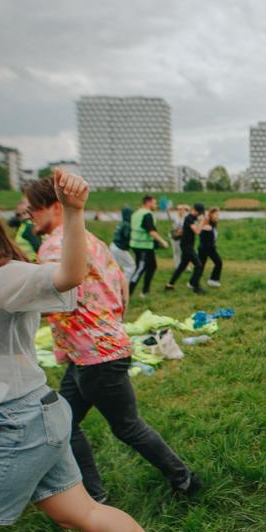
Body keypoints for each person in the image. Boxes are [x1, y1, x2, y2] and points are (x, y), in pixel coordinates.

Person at [0, 171, 184, 532]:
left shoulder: (3, 279)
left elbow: (69, 277)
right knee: (77, 512)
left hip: (17, 422)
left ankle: (183, 479)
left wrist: (74, 212)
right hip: (30, 408)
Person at [24, 178, 202, 505]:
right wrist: (110, 325)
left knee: (126, 427)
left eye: (31, 208)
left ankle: (184, 479)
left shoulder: (53, 245)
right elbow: (122, 286)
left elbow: (50, 297)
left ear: (54, 206)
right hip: (96, 350)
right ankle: (94, 496)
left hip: (96, 357)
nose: (26, 213)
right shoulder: (91, 240)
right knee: (65, 423)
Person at [129, 195, 169, 297]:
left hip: (140, 245)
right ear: (148, 203)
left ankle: (145, 291)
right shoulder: (147, 214)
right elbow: (151, 231)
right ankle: (128, 292)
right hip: (143, 246)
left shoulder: (136, 213)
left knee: (152, 266)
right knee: (140, 268)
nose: (156, 205)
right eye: (155, 203)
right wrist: (162, 241)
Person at [165, 203, 204, 293]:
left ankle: (169, 284)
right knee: (198, 265)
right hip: (187, 246)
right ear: (194, 210)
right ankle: (194, 285)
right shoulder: (189, 218)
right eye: (198, 213)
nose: (199, 215)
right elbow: (197, 231)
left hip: (187, 245)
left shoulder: (192, 218)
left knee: (182, 266)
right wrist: (202, 221)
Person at [196, 207, 223, 288]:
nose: (217, 216)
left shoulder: (213, 223)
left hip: (210, 247)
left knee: (216, 263)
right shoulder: (207, 223)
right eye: (216, 214)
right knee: (202, 266)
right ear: (211, 214)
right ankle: (194, 282)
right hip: (205, 248)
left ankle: (212, 280)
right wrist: (203, 221)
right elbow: (200, 231)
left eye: (218, 214)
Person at [111, 207, 136, 282]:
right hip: (119, 248)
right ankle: (124, 286)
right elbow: (128, 236)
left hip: (113, 246)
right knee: (131, 266)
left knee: (114, 267)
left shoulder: (121, 223)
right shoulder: (127, 225)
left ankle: (113, 283)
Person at [167, 204, 190, 268]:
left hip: (184, 236)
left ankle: (186, 266)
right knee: (176, 252)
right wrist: (169, 208)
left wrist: (188, 208)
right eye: (179, 209)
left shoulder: (187, 217)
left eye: (182, 209)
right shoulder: (175, 217)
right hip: (175, 236)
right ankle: (177, 266)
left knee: (185, 251)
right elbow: (168, 214)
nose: (181, 211)